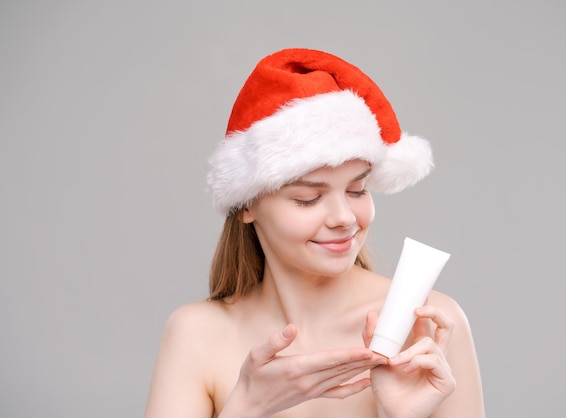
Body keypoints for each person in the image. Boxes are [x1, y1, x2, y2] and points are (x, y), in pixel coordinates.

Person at [144, 48, 485, 418]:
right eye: (308, 198)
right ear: (247, 205)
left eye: (358, 190)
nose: (344, 217)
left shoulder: (428, 328)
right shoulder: (196, 335)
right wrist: (245, 408)